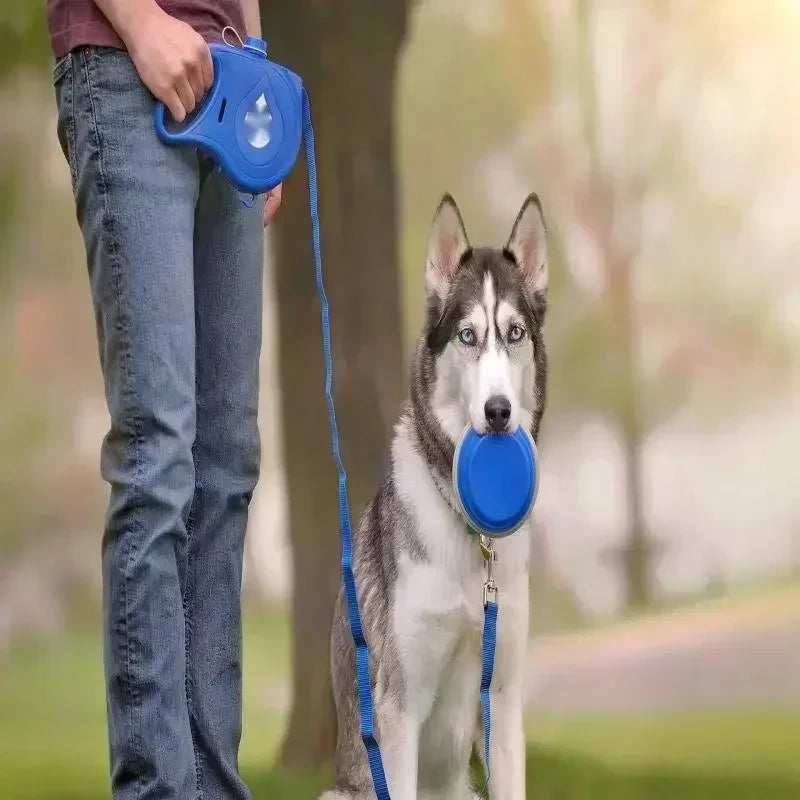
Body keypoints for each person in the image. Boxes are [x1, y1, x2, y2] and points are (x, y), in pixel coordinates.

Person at [46, 1, 280, 797]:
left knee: (226, 469)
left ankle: (213, 786)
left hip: (232, 81)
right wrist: (143, 22)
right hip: (122, 64)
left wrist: (263, 75)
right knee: (160, 457)